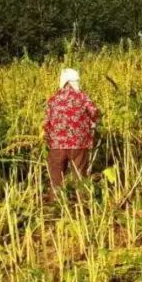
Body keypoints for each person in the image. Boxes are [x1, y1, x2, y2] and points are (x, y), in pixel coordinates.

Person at [44, 68, 101, 196]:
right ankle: (82, 204)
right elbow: (95, 113)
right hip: (79, 144)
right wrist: (92, 123)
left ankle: (56, 204)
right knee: (79, 177)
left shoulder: (53, 99)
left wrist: (50, 139)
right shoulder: (83, 97)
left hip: (57, 145)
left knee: (56, 178)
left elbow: (46, 123)